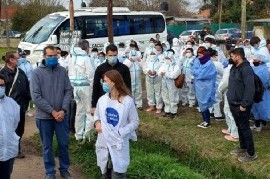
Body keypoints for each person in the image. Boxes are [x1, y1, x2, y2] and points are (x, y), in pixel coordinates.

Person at [30, 46, 73, 178]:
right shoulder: (37, 73)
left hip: (62, 116)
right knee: (47, 146)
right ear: (44, 56)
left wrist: (63, 110)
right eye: (49, 56)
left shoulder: (62, 71)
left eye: (55, 56)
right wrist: (52, 112)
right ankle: (50, 171)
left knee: (63, 144)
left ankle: (64, 169)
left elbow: (68, 91)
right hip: (44, 117)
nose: (53, 58)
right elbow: (36, 96)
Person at [94, 70, 139, 178]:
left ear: (113, 82)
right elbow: (97, 115)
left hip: (118, 142)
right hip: (104, 141)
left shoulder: (127, 101)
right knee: (105, 172)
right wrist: (97, 122)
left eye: (105, 81)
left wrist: (121, 132)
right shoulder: (102, 100)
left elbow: (135, 122)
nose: (103, 83)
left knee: (118, 173)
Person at [227, 48, 257, 163]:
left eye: (232, 56)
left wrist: (244, 104)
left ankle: (251, 153)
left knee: (245, 128)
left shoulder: (246, 69)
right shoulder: (234, 67)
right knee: (239, 126)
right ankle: (243, 146)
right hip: (233, 103)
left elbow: (250, 89)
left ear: (238, 56)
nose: (231, 58)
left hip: (241, 105)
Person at [0, 51, 31, 159]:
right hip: (7, 108)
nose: (19, 60)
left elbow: (27, 87)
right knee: (8, 128)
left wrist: (27, 100)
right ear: (10, 60)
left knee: (20, 129)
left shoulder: (20, 72)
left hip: (21, 106)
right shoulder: (2, 73)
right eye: (17, 59)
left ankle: (16, 148)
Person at [91, 44, 131, 116]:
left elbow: (128, 85)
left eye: (114, 55)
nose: (113, 57)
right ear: (106, 55)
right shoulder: (100, 69)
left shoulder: (124, 68)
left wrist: (128, 100)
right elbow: (96, 87)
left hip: (120, 100)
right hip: (104, 99)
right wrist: (94, 105)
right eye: (110, 55)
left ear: (117, 54)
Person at [68, 40, 95, 141]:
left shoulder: (71, 58)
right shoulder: (85, 58)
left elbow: (69, 73)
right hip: (86, 87)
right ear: (87, 48)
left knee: (79, 111)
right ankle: (87, 136)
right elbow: (91, 74)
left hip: (75, 87)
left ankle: (78, 135)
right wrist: (93, 88)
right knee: (89, 111)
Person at [0, 74, 20, 179]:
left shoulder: (12, 104)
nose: (0, 88)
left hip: (8, 152)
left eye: (2, 85)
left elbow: (15, 124)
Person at [191, 46, 217, 128]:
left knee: (205, 102)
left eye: (201, 54)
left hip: (206, 86)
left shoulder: (209, 63)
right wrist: (198, 72)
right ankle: (204, 120)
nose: (199, 56)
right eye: (198, 54)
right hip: (199, 86)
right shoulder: (198, 61)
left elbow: (203, 74)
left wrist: (197, 72)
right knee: (201, 103)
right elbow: (193, 70)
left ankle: (207, 121)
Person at [218, 63, 239, 142]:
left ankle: (235, 135)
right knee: (227, 111)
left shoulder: (230, 69)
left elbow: (225, 82)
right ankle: (230, 130)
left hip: (230, 91)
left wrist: (220, 90)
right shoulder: (236, 67)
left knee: (230, 112)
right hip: (233, 91)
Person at [158, 50, 181, 118]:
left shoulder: (176, 66)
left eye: (168, 58)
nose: (167, 60)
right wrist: (161, 73)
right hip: (164, 81)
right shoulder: (163, 65)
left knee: (172, 96)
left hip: (172, 82)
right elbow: (159, 72)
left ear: (171, 58)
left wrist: (166, 73)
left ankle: (173, 112)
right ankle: (167, 111)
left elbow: (173, 75)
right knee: (165, 95)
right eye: (166, 58)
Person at [250, 54, 270, 132]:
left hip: (261, 92)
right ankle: (259, 124)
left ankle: (259, 125)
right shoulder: (257, 68)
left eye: (255, 60)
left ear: (260, 61)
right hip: (257, 91)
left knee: (260, 109)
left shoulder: (263, 70)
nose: (254, 62)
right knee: (257, 108)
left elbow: (264, 82)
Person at [123, 44, 143, 110]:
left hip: (138, 79)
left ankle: (139, 104)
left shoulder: (139, 61)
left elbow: (143, 66)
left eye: (135, 55)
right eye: (132, 55)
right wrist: (130, 60)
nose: (134, 56)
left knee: (138, 91)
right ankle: (131, 104)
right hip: (131, 79)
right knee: (131, 90)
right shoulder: (127, 61)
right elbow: (124, 67)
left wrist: (138, 60)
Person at [209, 49, 224, 121]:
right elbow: (223, 73)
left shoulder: (206, 63)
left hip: (209, 84)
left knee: (211, 98)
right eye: (216, 55)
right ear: (214, 56)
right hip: (217, 83)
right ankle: (218, 115)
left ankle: (211, 112)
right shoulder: (217, 64)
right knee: (217, 99)